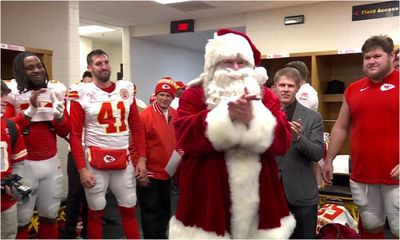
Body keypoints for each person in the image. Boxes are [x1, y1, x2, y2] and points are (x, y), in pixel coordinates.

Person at [169, 29, 296, 239]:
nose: (235, 69)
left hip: (260, 197)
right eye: (227, 62)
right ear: (213, 66)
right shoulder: (193, 95)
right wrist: (222, 117)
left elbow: (283, 142)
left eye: (242, 62)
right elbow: (185, 138)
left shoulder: (267, 98)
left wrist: (253, 120)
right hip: (208, 197)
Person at [322, 35, 399, 238]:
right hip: (363, 175)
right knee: (371, 226)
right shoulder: (353, 89)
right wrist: (329, 159)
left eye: (377, 56)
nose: (371, 61)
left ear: (391, 55)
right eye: (367, 57)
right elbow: (340, 127)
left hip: (396, 175)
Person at [69, 49, 146, 239]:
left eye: (106, 62)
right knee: (95, 213)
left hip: (123, 158)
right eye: (98, 63)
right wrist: (81, 169)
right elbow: (75, 135)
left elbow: (136, 126)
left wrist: (142, 158)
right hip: (94, 161)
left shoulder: (125, 89)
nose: (104, 66)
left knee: (129, 209)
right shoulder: (82, 92)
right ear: (90, 67)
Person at [5, 51, 70, 239]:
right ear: (20, 71)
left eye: (39, 65)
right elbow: (6, 131)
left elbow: (65, 131)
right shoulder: (13, 93)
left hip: (50, 162)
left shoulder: (55, 91)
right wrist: (29, 113)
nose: (37, 70)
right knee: (22, 220)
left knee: (50, 215)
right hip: (24, 165)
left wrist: (59, 117)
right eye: (30, 67)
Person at [272, 67, 324, 239]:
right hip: (269, 195)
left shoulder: (312, 117)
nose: (286, 89)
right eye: (282, 85)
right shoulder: (262, 115)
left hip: (301, 196)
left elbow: (317, 153)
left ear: (297, 89)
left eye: (290, 86)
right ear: (274, 87)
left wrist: (299, 138)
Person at [135, 77, 179, 239]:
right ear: (156, 95)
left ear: (173, 98)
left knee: (164, 212)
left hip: (167, 173)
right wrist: (140, 172)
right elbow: (135, 146)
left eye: (168, 96)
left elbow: (178, 139)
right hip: (150, 175)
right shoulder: (145, 116)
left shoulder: (175, 114)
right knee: (150, 214)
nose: (164, 98)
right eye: (161, 95)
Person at [63, 71, 93, 239]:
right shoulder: (73, 97)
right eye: (85, 83)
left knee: (91, 195)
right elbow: (67, 125)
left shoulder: (98, 98)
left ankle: (89, 232)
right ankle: (69, 232)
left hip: (94, 152)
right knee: (74, 194)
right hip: (75, 151)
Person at [1, 80, 27, 239]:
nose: (5, 99)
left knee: (9, 235)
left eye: (5, 95)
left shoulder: (11, 127)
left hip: (6, 201)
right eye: (0, 95)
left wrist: (14, 183)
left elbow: (18, 162)